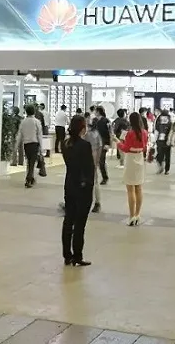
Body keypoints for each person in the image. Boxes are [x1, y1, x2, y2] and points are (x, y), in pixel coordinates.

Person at [61, 115, 95, 266]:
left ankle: (67, 255)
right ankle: (77, 255)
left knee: (68, 221)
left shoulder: (65, 144)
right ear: (82, 128)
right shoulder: (85, 145)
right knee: (80, 224)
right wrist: (89, 185)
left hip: (69, 184)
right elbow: (89, 168)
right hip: (83, 187)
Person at [118, 112, 147, 226]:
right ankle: (137, 214)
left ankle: (131, 216)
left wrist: (117, 142)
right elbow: (144, 147)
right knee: (138, 188)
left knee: (130, 189)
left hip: (130, 159)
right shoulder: (144, 132)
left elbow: (126, 148)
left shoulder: (130, 133)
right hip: (139, 158)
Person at [16, 105, 43, 188]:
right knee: (32, 162)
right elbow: (39, 135)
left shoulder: (23, 122)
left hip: (26, 144)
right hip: (34, 144)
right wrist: (41, 147)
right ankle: (29, 179)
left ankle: (30, 177)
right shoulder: (36, 122)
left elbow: (20, 134)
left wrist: (16, 145)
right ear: (34, 112)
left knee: (29, 162)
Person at [83, 114, 102, 213]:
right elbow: (100, 147)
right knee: (95, 182)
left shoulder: (87, 135)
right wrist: (97, 160)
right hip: (94, 159)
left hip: (87, 159)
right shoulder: (97, 134)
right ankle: (97, 202)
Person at [94, 106, 111, 185]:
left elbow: (109, 132)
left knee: (101, 161)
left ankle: (105, 177)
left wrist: (108, 143)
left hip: (103, 142)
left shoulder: (105, 120)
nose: (94, 112)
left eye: (95, 111)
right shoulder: (95, 121)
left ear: (98, 112)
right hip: (95, 143)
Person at [154, 108, 172, 175]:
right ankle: (160, 167)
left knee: (167, 156)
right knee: (159, 155)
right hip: (159, 141)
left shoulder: (170, 124)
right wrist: (155, 141)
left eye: (165, 117)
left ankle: (167, 170)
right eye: (162, 117)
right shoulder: (158, 123)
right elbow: (156, 131)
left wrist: (169, 140)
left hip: (167, 142)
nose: (163, 118)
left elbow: (171, 132)